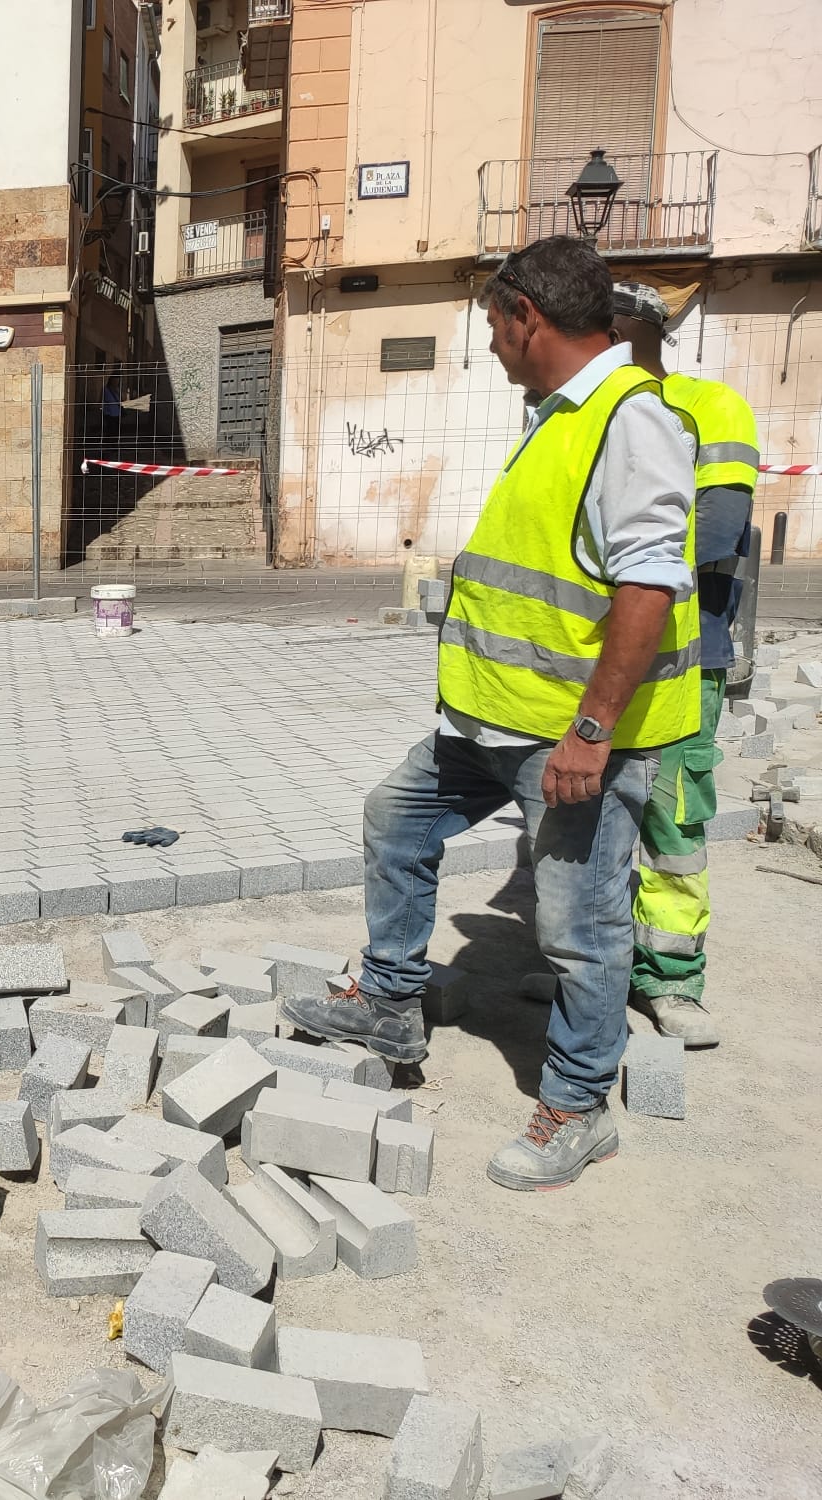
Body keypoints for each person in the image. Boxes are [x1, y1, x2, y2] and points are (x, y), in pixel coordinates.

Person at [279, 235, 701, 1192]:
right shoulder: (557, 417)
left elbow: (648, 586)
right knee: (396, 816)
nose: (494, 348)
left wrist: (591, 732)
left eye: (494, 329)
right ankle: (390, 997)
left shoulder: (628, 422)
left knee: (578, 927)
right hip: (485, 725)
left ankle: (578, 1105)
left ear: (527, 318)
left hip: (567, 740)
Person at [609, 282, 759, 1048]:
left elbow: (714, 535)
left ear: (633, 329)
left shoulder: (710, 406)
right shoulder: (582, 409)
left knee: (673, 825)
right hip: (596, 662)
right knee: (589, 823)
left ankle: (671, 982)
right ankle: (597, 970)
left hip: (683, 659)